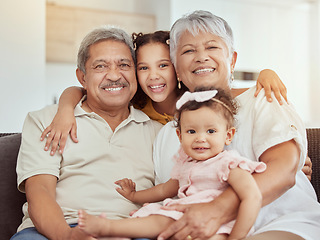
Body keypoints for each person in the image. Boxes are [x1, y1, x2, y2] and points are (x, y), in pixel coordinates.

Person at [152, 10, 320, 240]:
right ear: (177, 69)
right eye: (188, 50)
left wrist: (218, 209)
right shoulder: (168, 134)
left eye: (212, 47)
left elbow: (284, 169)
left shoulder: (263, 98)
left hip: (281, 221)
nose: (201, 57)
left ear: (232, 60)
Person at [11, 26, 162, 240]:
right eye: (101, 66)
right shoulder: (47, 121)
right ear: (82, 77)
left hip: (132, 230)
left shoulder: (160, 132)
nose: (114, 75)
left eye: (124, 65)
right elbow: (40, 191)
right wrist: (68, 236)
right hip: (54, 230)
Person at [40, 31, 289, 156]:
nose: (153, 76)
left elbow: (243, 96)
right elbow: (80, 90)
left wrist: (266, 74)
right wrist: (64, 110)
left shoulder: (199, 98)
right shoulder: (135, 109)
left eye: (163, 65)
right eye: (143, 67)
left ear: (177, 68)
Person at [77, 87, 267, 240]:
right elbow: (163, 190)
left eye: (210, 131)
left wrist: (237, 237)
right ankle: (110, 227)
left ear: (228, 135)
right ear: (179, 135)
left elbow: (253, 197)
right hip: (180, 218)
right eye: (192, 132)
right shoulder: (185, 164)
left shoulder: (228, 163)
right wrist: (135, 195)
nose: (201, 139)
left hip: (217, 226)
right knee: (159, 220)